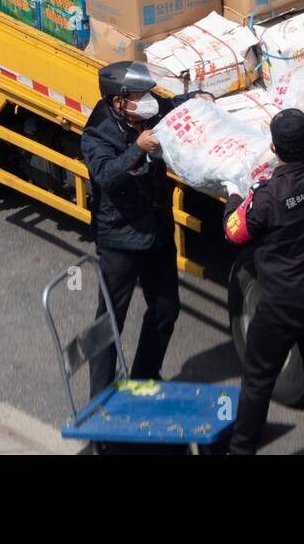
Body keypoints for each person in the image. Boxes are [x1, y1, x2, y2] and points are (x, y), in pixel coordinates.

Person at [222, 109, 304, 455]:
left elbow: (234, 232)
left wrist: (233, 197)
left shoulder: (267, 196)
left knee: (258, 381)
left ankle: (241, 450)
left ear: (274, 148)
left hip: (281, 306)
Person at [81, 61, 209, 397]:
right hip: (119, 238)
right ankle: (100, 398)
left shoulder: (148, 113)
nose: (148, 100)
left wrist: (197, 98)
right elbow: (106, 175)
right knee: (109, 320)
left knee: (166, 310)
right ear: (118, 102)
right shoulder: (97, 132)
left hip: (156, 231)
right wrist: (137, 149)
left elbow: (170, 106)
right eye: (139, 95)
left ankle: (144, 378)